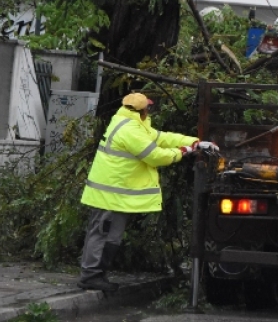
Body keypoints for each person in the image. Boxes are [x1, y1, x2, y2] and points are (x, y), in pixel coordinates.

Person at [77, 92, 218, 291]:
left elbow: (162, 137)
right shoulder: (130, 130)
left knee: (111, 236)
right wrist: (184, 152)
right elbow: (154, 156)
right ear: (142, 110)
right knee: (102, 234)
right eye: (148, 108)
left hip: (116, 193)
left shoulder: (133, 124)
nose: (149, 110)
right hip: (108, 194)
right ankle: (90, 276)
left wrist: (195, 141)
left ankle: (97, 275)